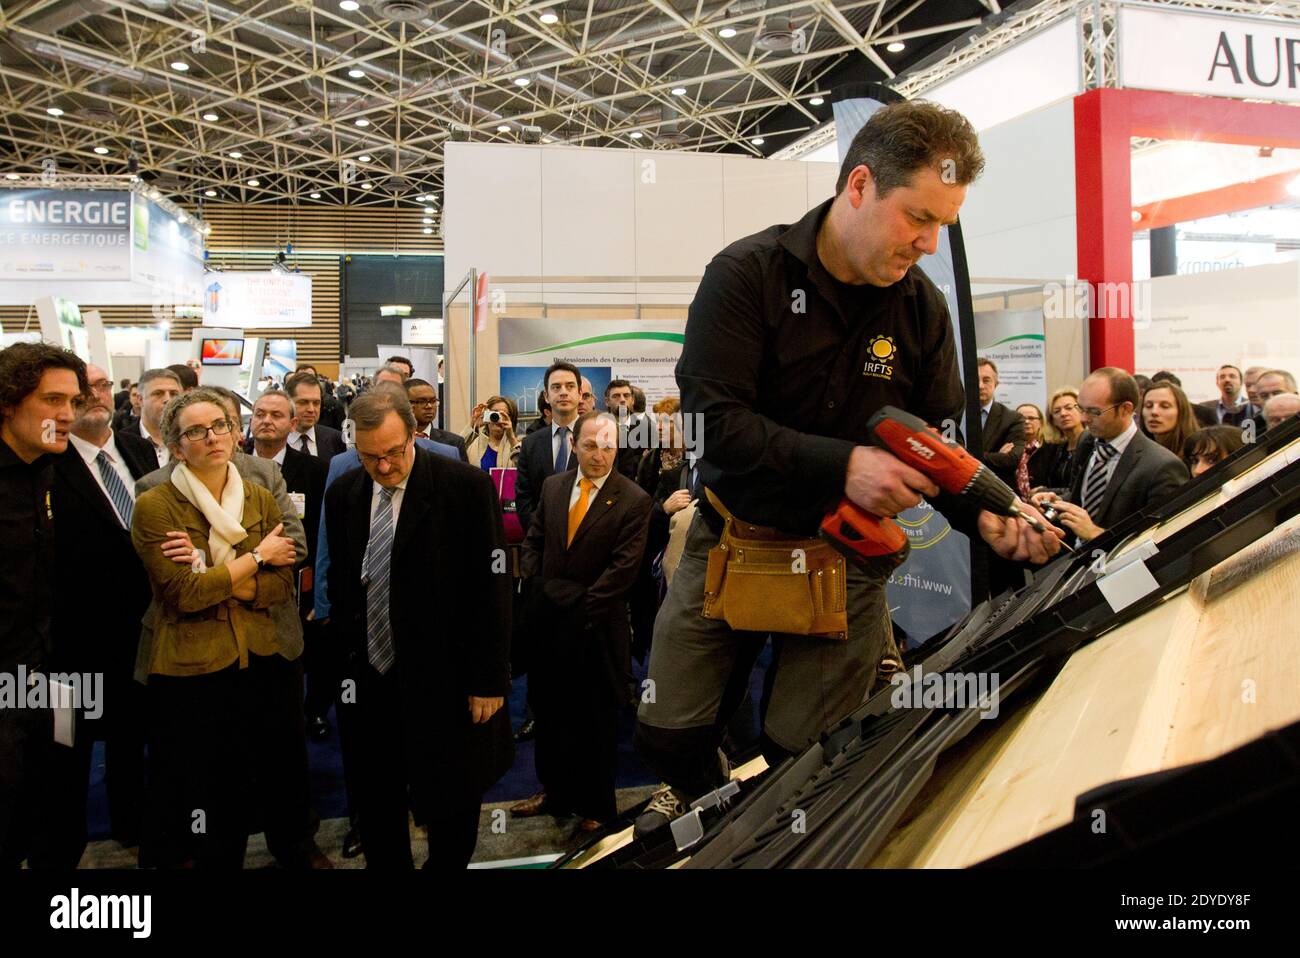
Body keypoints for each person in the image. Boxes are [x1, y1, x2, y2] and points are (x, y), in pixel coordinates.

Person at [633, 100, 1064, 835]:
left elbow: (940, 440)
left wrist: (989, 514)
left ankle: (768, 841)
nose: (929, 243)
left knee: (799, 750)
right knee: (668, 733)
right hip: (731, 540)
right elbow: (716, 425)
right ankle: (705, 807)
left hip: (848, 554)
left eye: (943, 226)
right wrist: (848, 466)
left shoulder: (922, 311)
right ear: (859, 186)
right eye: (917, 218)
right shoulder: (745, 276)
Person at [323, 389, 513, 868]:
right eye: (370, 457)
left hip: (445, 678)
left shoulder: (465, 488)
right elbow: (344, 585)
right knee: (377, 799)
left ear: (413, 435)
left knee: (451, 801)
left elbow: (491, 591)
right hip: (370, 680)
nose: (384, 467)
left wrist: (488, 680)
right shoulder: (344, 494)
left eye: (393, 453)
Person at [130, 388, 301, 868]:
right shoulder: (156, 503)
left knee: (254, 778)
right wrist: (257, 558)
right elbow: (182, 595)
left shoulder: (261, 495)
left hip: (261, 656)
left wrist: (219, 575)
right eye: (197, 432)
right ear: (176, 446)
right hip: (192, 664)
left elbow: (280, 585)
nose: (213, 437)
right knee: (201, 786)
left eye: (221, 426)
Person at [512, 412, 651, 831]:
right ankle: (553, 791)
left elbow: (622, 573)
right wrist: (537, 587)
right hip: (549, 624)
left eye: (608, 445)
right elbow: (534, 539)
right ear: (574, 445)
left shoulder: (634, 499)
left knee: (595, 722)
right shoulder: (553, 487)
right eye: (591, 445)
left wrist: (574, 608)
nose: (600, 454)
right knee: (551, 713)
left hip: (595, 631)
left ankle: (595, 809)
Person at [44, 364, 158, 866]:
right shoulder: (48, 462)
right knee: (65, 754)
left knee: (131, 743)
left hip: (140, 635)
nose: (94, 395)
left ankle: (132, 826)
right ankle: (59, 852)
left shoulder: (134, 450)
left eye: (102, 385)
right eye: (81, 389)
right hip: (71, 647)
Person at [0, 343, 88, 868]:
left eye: (73, 402)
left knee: (57, 815)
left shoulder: (51, 471)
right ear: (9, 402)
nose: (67, 415)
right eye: (53, 399)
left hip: (55, 680)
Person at [248, 390, 331, 740]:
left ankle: (312, 712)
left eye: (276, 415)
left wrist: (319, 590)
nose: (267, 420)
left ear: (292, 424)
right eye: (260, 413)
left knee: (307, 656)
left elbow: (322, 532)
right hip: (246, 581)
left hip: (301, 581)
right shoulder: (229, 466)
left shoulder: (315, 470)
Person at [1033, 368, 1188, 544]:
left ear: (1125, 409)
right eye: (1081, 408)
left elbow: (1160, 542)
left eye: (1094, 411)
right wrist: (1058, 501)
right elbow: (1085, 495)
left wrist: (1096, 534)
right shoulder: (1087, 442)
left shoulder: (1163, 466)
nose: (1084, 418)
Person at [516, 361, 582, 535]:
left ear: (580, 393)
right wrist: (537, 535)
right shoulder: (530, 443)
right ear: (546, 396)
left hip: (586, 540)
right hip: (541, 543)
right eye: (556, 387)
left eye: (570, 386)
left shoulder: (596, 440)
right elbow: (524, 497)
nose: (563, 392)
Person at [976, 358, 1026, 486]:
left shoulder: (1013, 419)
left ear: (996, 384)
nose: (980, 385)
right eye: (975, 380)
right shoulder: (954, 416)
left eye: (986, 380)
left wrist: (967, 456)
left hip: (997, 490)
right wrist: (996, 456)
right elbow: (948, 454)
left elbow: (1011, 460)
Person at [286, 371, 346, 460]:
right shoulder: (273, 440)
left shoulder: (337, 440)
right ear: (287, 402)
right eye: (303, 402)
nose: (311, 409)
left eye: (316, 403)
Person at [404, 377, 468, 460]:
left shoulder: (454, 443)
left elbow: (463, 472)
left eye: (433, 401)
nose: (429, 406)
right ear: (405, 403)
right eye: (422, 401)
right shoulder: (395, 440)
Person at [1041, 387, 1086, 491]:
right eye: (1057, 411)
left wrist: (1047, 492)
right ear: (1053, 421)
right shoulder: (1056, 450)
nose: (1063, 414)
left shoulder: (1093, 445)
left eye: (1069, 408)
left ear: (1082, 410)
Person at [1141, 381, 1199, 459]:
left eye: (1165, 406)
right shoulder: (1135, 451)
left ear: (1181, 411)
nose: (1154, 412)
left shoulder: (1197, 453)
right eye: (1148, 406)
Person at [137, 368, 183, 466]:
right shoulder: (122, 442)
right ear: (140, 400)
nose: (168, 399)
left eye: (174, 394)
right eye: (158, 393)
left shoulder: (188, 439)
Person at [465, 395, 522, 471]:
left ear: (511, 418)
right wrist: (473, 426)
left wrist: (511, 438)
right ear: (486, 415)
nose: (497, 418)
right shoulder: (475, 444)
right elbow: (456, 453)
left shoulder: (520, 444)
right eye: (494, 413)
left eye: (503, 414)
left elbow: (525, 468)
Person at [296, 365, 346, 430]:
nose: (306, 381)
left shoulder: (333, 405)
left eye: (310, 377)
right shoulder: (288, 404)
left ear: (316, 379)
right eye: (301, 378)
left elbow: (341, 434)